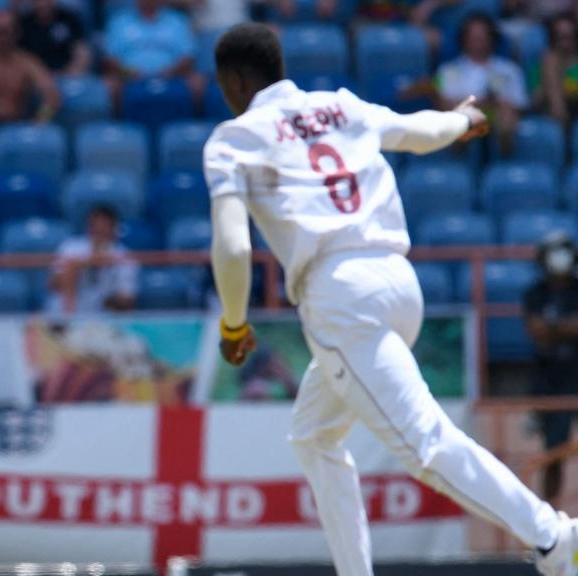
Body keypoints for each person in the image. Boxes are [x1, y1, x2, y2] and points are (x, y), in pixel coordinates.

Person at [204, 22, 577, 576]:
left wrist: (234, 324)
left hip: (340, 297)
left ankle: (553, 536)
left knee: (423, 444)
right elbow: (417, 132)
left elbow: (234, 248)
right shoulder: (339, 105)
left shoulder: (235, 137)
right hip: (398, 283)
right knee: (313, 436)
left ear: (233, 81)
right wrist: (461, 120)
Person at [524, 232, 578, 507]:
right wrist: (566, 327)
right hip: (550, 382)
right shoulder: (535, 293)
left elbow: (547, 329)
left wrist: (553, 327)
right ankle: (550, 518)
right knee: (553, 452)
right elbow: (537, 331)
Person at [434, 12, 529, 153]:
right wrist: (483, 103)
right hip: (464, 117)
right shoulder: (446, 70)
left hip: (499, 117)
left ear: (492, 38)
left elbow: (520, 104)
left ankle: (504, 163)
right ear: (464, 38)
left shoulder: (510, 70)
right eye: (473, 36)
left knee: (507, 116)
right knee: (457, 118)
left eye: (482, 36)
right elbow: (444, 103)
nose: (478, 40)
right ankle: (459, 167)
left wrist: (494, 104)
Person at [0, 9, 60, 140]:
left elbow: (53, 97)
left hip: (17, 129)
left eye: (7, 31)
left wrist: (38, 123)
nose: (2, 36)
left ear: (16, 33)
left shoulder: (27, 63)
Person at [102, 0, 205, 105]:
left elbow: (188, 57)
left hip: (173, 75)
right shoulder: (119, 22)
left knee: (197, 82)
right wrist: (129, 72)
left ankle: (192, 121)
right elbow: (110, 59)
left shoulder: (178, 21)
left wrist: (170, 72)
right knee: (109, 86)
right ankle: (118, 121)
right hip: (128, 78)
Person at [47, 203, 139, 314]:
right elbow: (53, 284)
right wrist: (83, 264)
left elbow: (127, 301)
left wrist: (108, 300)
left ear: (114, 228)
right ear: (89, 226)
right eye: (95, 225)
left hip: (104, 317)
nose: (99, 230)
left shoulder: (124, 257)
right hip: (68, 316)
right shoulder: (70, 247)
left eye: (104, 226)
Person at [17, 0, 92, 75]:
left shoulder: (69, 19)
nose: (43, 4)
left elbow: (82, 52)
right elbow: (19, 56)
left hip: (67, 75)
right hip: (34, 76)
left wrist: (69, 72)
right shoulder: (24, 24)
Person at [533, 13, 578, 129]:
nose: (566, 43)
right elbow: (535, 100)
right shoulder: (542, 62)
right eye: (561, 37)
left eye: (570, 37)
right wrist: (549, 80)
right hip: (548, 112)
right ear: (553, 38)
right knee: (550, 62)